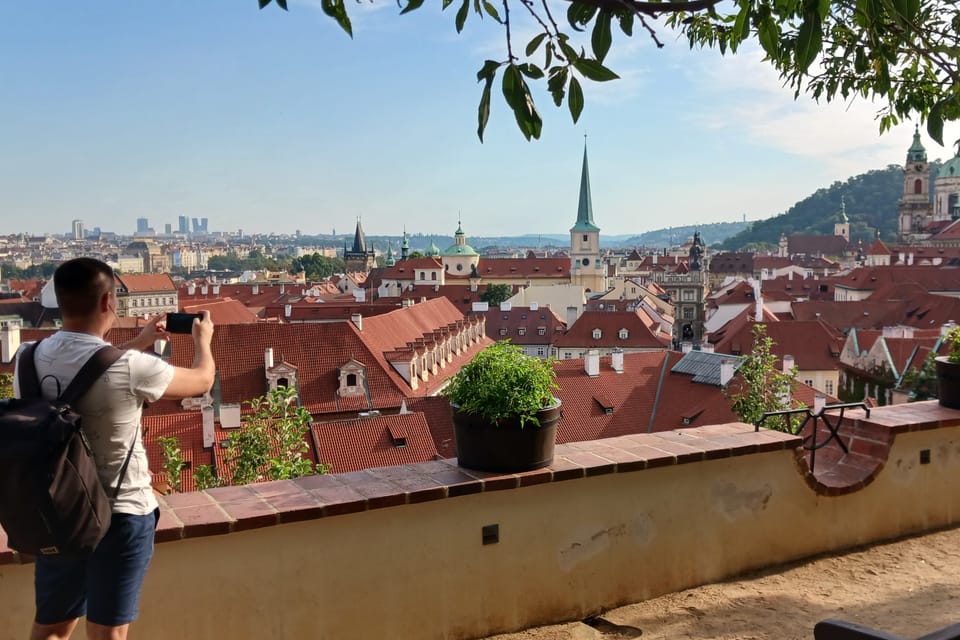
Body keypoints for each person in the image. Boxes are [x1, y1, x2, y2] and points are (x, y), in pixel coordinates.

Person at [13, 258, 216, 640]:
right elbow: (203, 381)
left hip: (56, 509)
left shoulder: (26, 358)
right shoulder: (132, 367)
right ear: (109, 302)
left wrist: (136, 344)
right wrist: (202, 342)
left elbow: (88, 369)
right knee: (108, 634)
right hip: (120, 511)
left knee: (52, 629)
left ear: (59, 300)